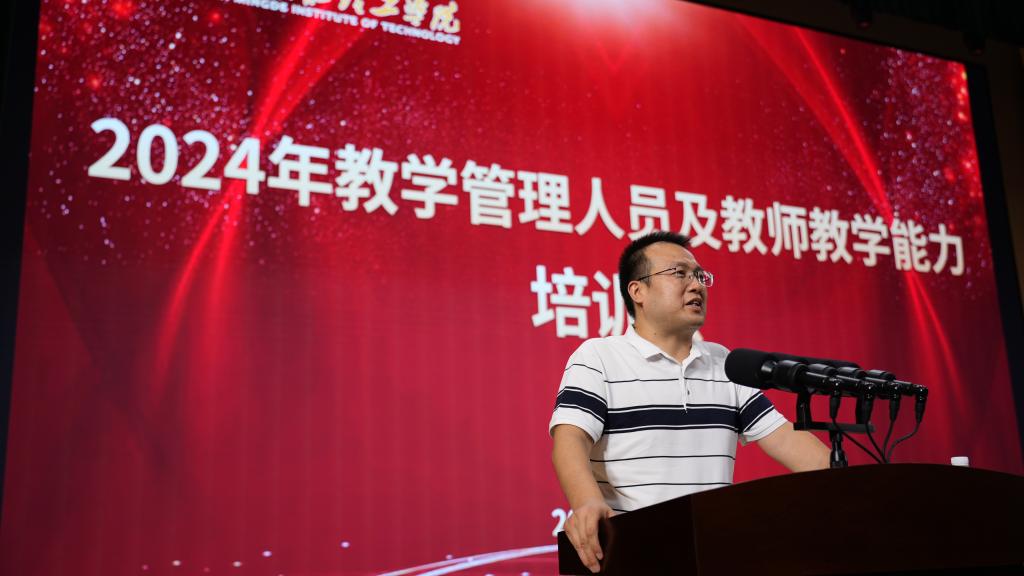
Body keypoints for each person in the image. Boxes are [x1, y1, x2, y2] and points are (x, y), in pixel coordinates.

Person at [549, 231, 829, 573]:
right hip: (632, 555)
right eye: (679, 274)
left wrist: (857, 490)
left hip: (712, 556)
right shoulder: (599, 356)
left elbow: (788, 441)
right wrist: (587, 502)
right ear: (637, 291)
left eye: (699, 276)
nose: (696, 285)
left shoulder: (724, 364)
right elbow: (570, 440)